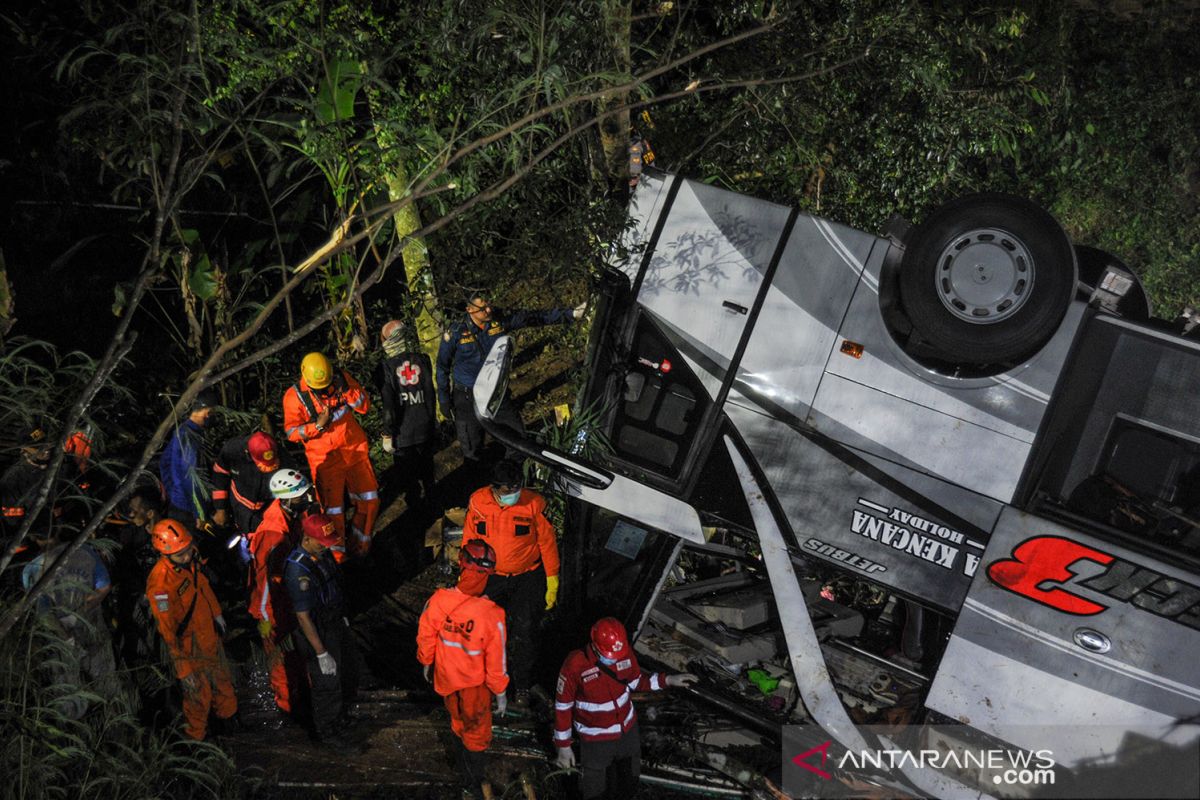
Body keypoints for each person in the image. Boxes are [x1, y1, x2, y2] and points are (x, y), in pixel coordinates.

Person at [554, 617, 698, 799]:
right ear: (595, 646)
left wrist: (668, 680)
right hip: (596, 740)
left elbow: (637, 681)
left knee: (629, 783)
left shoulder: (624, 652)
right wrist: (563, 747)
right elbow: (562, 706)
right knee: (594, 791)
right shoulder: (575, 664)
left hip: (627, 733)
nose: (614, 660)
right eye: (608, 656)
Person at [436, 293, 585, 467]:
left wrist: (571, 314)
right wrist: (444, 399)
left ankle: (513, 477)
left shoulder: (498, 321)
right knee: (472, 449)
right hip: (467, 397)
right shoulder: (456, 331)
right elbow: (442, 367)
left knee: (517, 440)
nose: (488, 310)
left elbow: (532, 318)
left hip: (496, 394)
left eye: (489, 305)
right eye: (482, 308)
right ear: (469, 310)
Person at [463, 459, 559, 708]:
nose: (513, 495)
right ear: (494, 488)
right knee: (485, 631)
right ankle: (486, 680)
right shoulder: (478, 502)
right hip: (491, 577)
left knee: (526, 632)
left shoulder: (534, 504)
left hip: (526, 577)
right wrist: (468, 576)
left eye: (517, 488)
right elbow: (469, 538)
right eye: (508, 491)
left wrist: (552, 578)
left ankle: (524, 685)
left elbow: (547, 543)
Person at [416, 539, 508, 800]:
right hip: (474, 687)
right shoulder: (492, 614)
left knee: (457, 725)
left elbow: (426, 634)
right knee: (476, 735)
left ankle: (466, 778)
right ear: (489, 573)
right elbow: (496, 659)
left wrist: (427, 661)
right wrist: (500, 691)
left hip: (446, 678)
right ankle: (476, 784)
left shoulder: (439, 600)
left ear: (461, 564)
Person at [144, 518, 239, 741]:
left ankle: (229, 724)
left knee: (223, 682)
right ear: (164, 554)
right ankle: (196, 743)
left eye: (188, 550)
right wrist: (184, 670)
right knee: (198, 698)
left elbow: (202, 586)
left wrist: (217, 613)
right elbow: (167, 633)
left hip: (208, 637)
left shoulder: (189, 558)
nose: (187, 557)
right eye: (181, 555)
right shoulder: (161, 584)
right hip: (189, 648)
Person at [283, 352, 379, 558]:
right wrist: (317, 426)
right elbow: (291, 432)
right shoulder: (294, 397)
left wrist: (348, 391)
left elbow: (364, 406)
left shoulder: (341, 379)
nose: (325, 389)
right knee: (333, 513)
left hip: (354, 451)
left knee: (370, 500)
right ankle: (337, 559)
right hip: (324, 461)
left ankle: (361, 548)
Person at [22, 525, 119, 716]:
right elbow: (104, 587)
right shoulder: (85, 552)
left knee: (67, 688)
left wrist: (65, 636)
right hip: (91, 623)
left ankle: (73, 730)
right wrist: (82, 613)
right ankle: (117, 718)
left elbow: (44, 613)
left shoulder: (31, 570)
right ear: (57, 530)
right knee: (106, 676)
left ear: (33, 537)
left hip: (60, 636)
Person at [284, 512, 359, 741]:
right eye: (322, 543)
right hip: (316, 630)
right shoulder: (298, 570)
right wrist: (321, 652)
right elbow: (303, 617)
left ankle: (340, 718)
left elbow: (333, 586)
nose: (326, 547)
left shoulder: (320, 555)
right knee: (327, 682)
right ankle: (328, 732)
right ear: (307, 539)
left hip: (333, 621)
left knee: (346, 671)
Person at [247, 468, 315, 717]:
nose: (306, 499)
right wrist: (268, 617)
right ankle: (287, 706)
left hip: (285, 602)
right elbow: (264, 582)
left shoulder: (289, 520)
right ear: (286, 499)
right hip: (271, 610)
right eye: (301, 496)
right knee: (279, 656)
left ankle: (301, 694)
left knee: (295, 651)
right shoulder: (273, 535)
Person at [376, 319, 437, 514]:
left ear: (386, 340)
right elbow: (430, 394)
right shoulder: (423, 359)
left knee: (409, 479)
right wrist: (432, 419)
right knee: (428, 472)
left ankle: (418, 517)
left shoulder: (385, 368)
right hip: (425, 426)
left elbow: (389, 407)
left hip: (403, 433)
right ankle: (434, 507)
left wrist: (387, 433)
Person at [159, 389, 219, 527]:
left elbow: (164, 462)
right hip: (189, 511)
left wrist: (173, 492)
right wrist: (200, 513)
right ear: (207, 412)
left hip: (177, 504)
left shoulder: (181, 430)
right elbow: (192, 477)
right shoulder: (192, 438)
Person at [212, 430, 283, 544]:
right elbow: (220, 475)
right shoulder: (232, 450)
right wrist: (220, 508)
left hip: (266, 511)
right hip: (237, 508)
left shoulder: (281, 455)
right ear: (248, 452)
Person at [1, 423, 55, 549]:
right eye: (38, 447)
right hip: (37, 542)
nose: (46, 449)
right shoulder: (14, 479)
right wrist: (39, 537)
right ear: (24, 450)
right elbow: (12, 519)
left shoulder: (60, 466)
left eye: (47, 444)